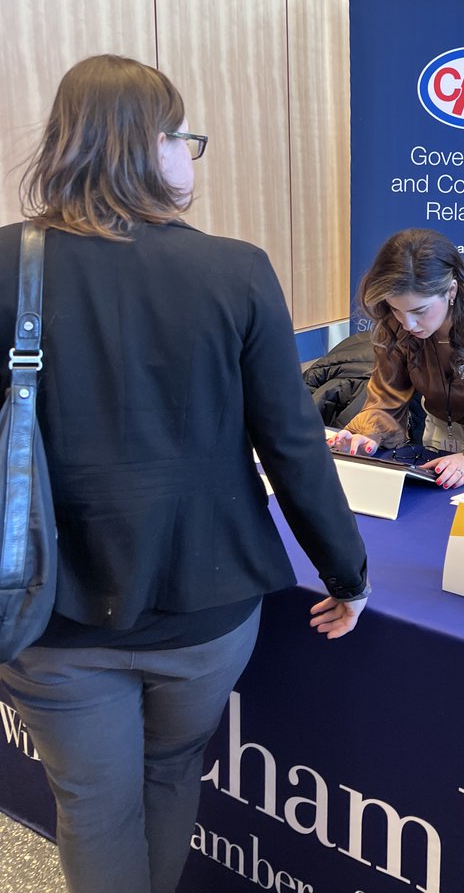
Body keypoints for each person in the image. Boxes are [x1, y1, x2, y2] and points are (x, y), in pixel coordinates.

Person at [0, 55, 369, 893]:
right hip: (206, 605)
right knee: (171, 775)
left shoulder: (8, 265)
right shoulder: (234, 271)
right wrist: (345, 573)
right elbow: (293, 445)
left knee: (92, 808)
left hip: (47, 610)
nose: (189, 156)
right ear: (150, 146)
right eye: (185, 139)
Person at [329, 228, 464, 490]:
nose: (407, 324)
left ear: (451, 290)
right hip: (445, 424)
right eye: (396, 309)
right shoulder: (396, 321)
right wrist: (369, 434)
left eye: (419, 311)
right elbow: (386, 397)